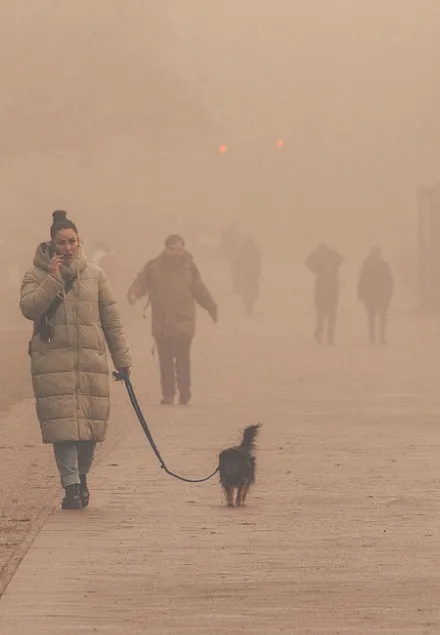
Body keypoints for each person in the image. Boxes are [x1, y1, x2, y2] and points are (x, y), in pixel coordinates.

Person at [20, 210, 132, 511]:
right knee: (65, 430)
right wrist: (52, 281)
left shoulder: (96, 275)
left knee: (90, 431)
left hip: (90, 361)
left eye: (72, 242)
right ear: (52, 245)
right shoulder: (35, 275)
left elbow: (112, 321)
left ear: (78, 242)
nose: (67, 248)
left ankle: (82, 476)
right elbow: (29, 309)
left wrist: (122, 359)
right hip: (53, 362)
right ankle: (70, 486)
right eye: (61, 243)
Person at [127, 234, 218, 405]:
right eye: (173, 249)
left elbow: (200, 290)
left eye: (180, 249)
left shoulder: (189, 268)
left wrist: (211, 307)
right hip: (162, 322)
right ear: (166, 249)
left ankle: (185, 391)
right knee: (165, 360)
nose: (176, 252)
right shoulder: (153, 267)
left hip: (184, 321)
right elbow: (141, 283)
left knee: (183, 358)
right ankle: (168, 394)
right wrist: (133, 294)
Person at [305, 242, 344, 345]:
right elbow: (341, 259)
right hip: (332, 289)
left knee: (322, 313)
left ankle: (320, 333)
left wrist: (316, 252)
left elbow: (307, 263)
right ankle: (330, 337)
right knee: (332, 314)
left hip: (321, 289)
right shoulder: (333, 258)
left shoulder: (319, 260)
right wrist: (332, 251)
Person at [357, 246, 394, 344]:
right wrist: (390, 293)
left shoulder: (367, 265)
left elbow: (362, 280)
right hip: (380, 294)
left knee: (372, 316)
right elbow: (389, 280)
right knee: (381, 316)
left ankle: (374, 337)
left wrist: (360, 293)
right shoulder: (383, 265)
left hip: (373, 294)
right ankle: (380, 337)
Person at [232, 232, 262, 318]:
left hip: (245, 275)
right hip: (251, 275)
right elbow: (258, 263)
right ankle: (249, 309)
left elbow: (237, 262)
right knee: (251, 294)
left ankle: (248, 309)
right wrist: (258, 272)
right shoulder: (254, 250)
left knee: (246, 293)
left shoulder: (242, 250)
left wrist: (236, 272)